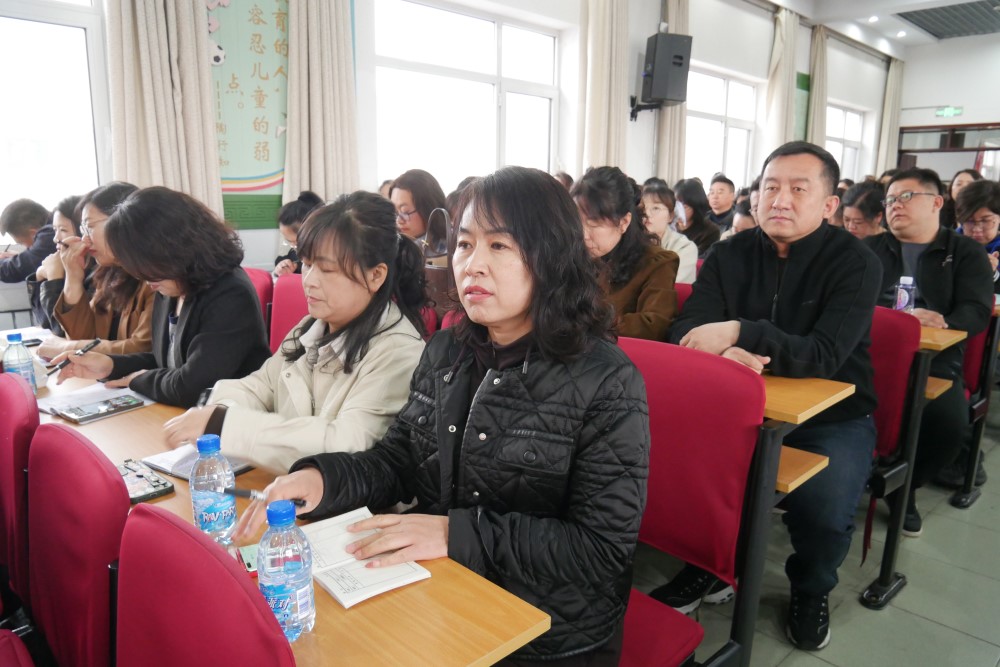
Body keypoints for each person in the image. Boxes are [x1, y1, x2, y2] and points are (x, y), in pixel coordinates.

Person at [232, 166, 649, 665]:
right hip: (442, 587)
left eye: (499, 245)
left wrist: (454, 534)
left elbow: (600, 549)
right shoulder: (448, 350)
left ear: (552, 256)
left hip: (547, 632)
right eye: (465, 244)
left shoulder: (607, 381)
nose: (473, 265)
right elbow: (400, 458)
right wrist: (324, 479)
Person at [664, 142, 881, 652]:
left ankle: (811, 587)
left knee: (825, 506)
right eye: (771, 187)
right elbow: (686, 329)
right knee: (687, 475)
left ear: (829, 204)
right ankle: (711, 566)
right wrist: (722, 351)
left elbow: (824, 353)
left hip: (833, 415)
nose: (780, 199)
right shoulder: (730, 253)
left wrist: (740, 332)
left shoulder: (856, 262)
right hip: (736, 408)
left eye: (798, 189)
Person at [161, 192, 428, 473]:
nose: (309, 280)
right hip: (290, 485)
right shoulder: (310, 327)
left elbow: (347, 446)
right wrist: (219, 413)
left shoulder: (399, 351)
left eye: (327, 269)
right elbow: (259, 387)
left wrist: (227, 426)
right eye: (307, 265)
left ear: (375, 275)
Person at [52, 187, 271, 408]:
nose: (141, 275)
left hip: (231, 417)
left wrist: (137, 380)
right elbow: (165, 362)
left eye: (143, 262)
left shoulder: (229, 293)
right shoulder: (169, 284)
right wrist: (110, 365)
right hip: (186, 413)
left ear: (172, 247)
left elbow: (192, 386)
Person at [865, 169, 993, 524]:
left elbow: (977, 310)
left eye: (906, 197)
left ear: (936, 202)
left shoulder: (965, 252)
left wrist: (943, 321)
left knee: (948, 422)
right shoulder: (870, 249)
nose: (895, 205)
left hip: (933, 357)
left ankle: (905, 487)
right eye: (890, 199)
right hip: (870, 351)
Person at [932, 178, 1000, 490]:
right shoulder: (948, 245)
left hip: (986, 335)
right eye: (969, 222)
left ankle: (967, 460)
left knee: (966, 382)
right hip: (951, 333)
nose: (976, 229)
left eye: (985, 221)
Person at [37, 182, 155, 358]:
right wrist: (73, 277)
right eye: (83, 229)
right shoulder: (109, 273)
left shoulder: (157, 277)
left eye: (89, 227)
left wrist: (68, 347)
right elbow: (83, 336)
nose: (85, 239)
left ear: (123, 222)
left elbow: (142, 349)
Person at [573, 166, 679, 340]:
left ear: (623, 222)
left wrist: (584, 323)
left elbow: (654, 325)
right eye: (577, 223)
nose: (583, 235)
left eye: (594, 224)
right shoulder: (572, 256)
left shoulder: (656, 263)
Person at [26, 195, 82, 335]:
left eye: (63, 230)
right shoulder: (64, 265)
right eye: (55, 230)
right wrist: (39, 276)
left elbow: (62, 331)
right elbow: (45, 323)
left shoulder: (93, 274)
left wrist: (54, 279)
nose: (56, 238)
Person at [641, 178, 698, 283]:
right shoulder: (631, 243)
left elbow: (671, 285)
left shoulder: (685, 247)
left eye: (656, 208)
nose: (647, 214)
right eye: (643, 208)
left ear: (670, 216)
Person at [390, 169, 448, 255]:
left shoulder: (451, 249)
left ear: (428, 207)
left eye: (405, 211)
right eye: (394, 212)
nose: (399, 220)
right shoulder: (391, 248)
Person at [0, 198, 56, 283]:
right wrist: (19, 257)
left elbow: (14, 269)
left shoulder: (50, 235)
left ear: (34, 233)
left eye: (21, 242)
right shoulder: (57, 223)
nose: (26, 247)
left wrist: (21, 259)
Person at [274, 190, 323, 277]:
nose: (293, 247)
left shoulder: (331, 257)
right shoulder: (296, 251)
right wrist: (284, 265)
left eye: (296, 243)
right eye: (288, 241)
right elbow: (289, 258)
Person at [674, 179, 721, 257]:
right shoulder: (668, 225)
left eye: (684, 207)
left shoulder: (710, 231)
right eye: (676, 205)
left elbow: (699, 259)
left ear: (696, 207)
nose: (678, 211)